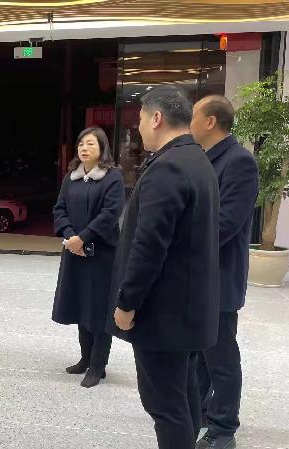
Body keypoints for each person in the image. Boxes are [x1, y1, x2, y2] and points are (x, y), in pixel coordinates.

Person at [109, 86, 220, 449]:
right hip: (188, 309)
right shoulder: (197, 159)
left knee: (165, 406)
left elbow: (149, 246)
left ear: (156, 118)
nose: (139, 127)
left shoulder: (168, 167)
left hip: (164, 313)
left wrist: (127, 303)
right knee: (184, 396)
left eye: (141, 119)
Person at [190, 95, 259, 449]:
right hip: (197, 275)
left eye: (194, 116)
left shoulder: (239, 161)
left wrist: (177, 240)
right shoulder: (203, 158)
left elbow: (225, 224)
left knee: (221, 356)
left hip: (219, 276)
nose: (189, 123)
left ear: (210, 121)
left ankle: (224, 427)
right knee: (201, 352)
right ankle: (202, 413)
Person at [51, 127, 125, 388]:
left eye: (90, 144)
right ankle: (85, 358)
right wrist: (70, 236)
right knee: (81, 304)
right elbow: (59, 209)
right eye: (81, 143)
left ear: (102, 148)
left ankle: (97, 365)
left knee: (100, 309)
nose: (84, 148)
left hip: (102, 254)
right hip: (75, 251)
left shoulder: (112, 177)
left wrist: (83, 238)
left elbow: (110, 213)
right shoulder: (71, 177)